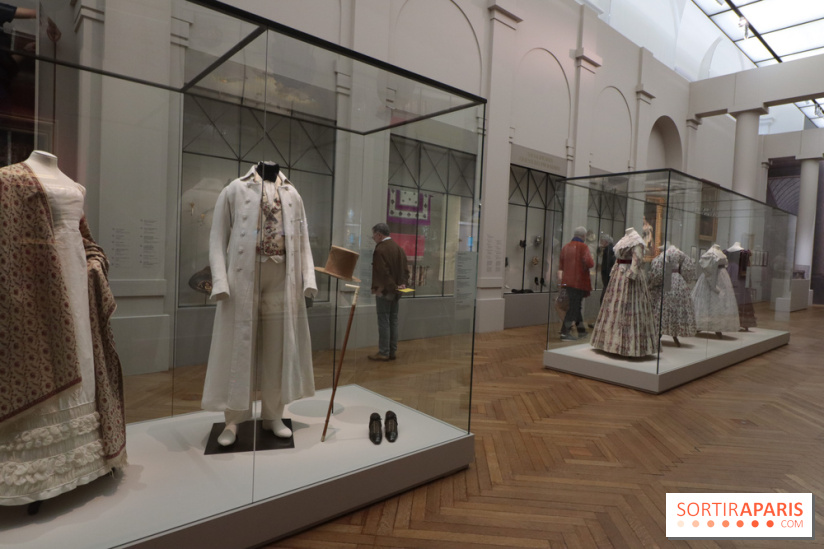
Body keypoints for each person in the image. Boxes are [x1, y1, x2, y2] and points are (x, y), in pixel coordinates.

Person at [369, 222, 410, 361]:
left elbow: (383, 274)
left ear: (379, 235)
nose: (373, 238)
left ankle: (384, 352)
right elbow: (405, 271)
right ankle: (392, 351)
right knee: (393, 320)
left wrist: (392, 287)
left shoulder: (380, 250)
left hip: (384, 291)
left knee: (384, 320)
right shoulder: (398, 248)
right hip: (396, 291)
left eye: (373, 235)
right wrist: (400, 287)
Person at [557, 226, 594, 341]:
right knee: (573, 308)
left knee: (576, 306)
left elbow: (561, 265)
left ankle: (581, 331)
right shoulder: (583, 247)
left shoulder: (566, 247)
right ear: (583, 236)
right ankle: (565, 333)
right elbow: (590, 263)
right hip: (578, 282)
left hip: (567, 281)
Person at [599, 233, 615, 305]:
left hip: (608, 277)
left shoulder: (608, 250)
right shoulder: (610, 249)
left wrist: (606, 275)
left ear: (606, 242)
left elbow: (607, 265)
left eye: (602, 241)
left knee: (604, 297)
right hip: (609, 276)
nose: (601, 243)